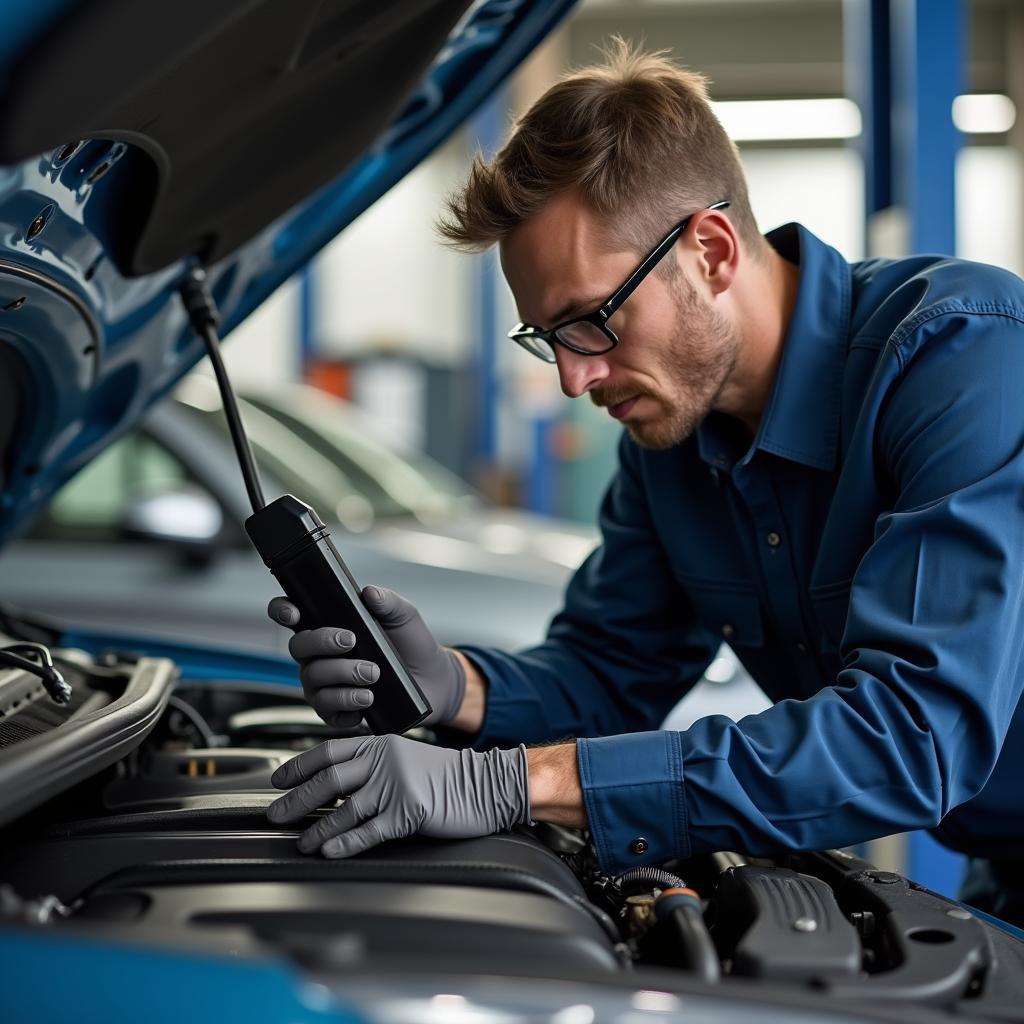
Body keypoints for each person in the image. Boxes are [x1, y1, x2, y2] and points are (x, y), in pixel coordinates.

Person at [264, 41, 1024, 923]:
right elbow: (610, 671)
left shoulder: (963, 357)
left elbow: (910, 738)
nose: (573, 380)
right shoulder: (671, 439)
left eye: (590, 321)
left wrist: (516, 781)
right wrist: (453, 687)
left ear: (710, 249)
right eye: (547, 338)